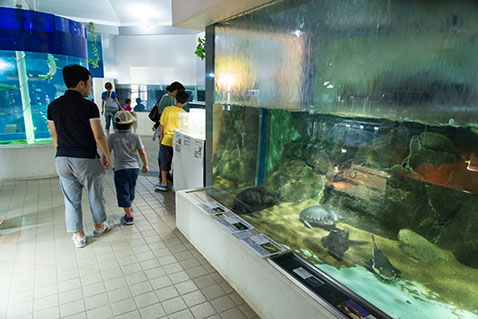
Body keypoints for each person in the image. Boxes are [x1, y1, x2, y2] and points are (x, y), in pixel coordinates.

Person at [47, 64, 112, 248]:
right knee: (95, 194)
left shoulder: (53, 106)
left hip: (62, 159)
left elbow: (54, 135)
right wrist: (107, 155)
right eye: (90, 83)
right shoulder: (89, 106)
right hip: (85, 159)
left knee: (71, 200)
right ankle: (99, 226)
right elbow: (98, 135)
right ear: (81, 83)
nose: (90, 87)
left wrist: (61, 154)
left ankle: (79, 236)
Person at [108, 111, 148, 225]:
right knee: (131, 188)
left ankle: (129, 216)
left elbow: (107, 152)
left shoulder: (112, 137)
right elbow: (142, 152)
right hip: (134, 168)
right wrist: (145, 164)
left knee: (122, 190)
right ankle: (129, 206)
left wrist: (105, 162)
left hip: (120, 169)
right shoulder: (135, 136)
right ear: (131, 124)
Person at [151, 81, 185, 188]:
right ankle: (163, 177)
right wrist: (158, 129)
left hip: (166, 132)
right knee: (163, 156)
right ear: (175, 91)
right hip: (165, 131)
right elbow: (161, 115)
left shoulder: (170, 100)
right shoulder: (167, 98)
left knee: (165, 154)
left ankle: (165, 178)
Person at [156, 90, 189, 191]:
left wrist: (161, 138)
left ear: (175, 99)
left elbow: (161, 125)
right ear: (185, 103)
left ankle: (164, 183)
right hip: (178, 141)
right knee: (178, 163)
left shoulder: (167, 110)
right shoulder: (184, 114)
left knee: (165, 162)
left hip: (166, 140)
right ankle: (178, 184)